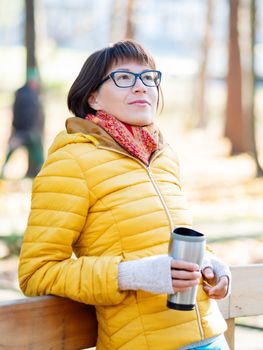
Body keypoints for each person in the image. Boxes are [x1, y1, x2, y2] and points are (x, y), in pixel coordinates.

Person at [18, 40, 231, 350]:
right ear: (93, 98)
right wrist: (129, 275)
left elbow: (159, 240)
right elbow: (37, 272)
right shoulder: (71, 162)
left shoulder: (163, 156)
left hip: (211, 337)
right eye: (124, 78)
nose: (141, 86)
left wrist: (212, 264)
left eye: (148, 77)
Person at [1, 68, 44, 179]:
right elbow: (28, 114)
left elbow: (15, 112)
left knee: (35, 154)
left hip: (19, 129)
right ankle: (45, 174)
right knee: (38, 156)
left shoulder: (20, 92)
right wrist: (31, 129)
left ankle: (2, 173)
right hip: (26, 131)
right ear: (32, 81)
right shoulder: (31, 95)